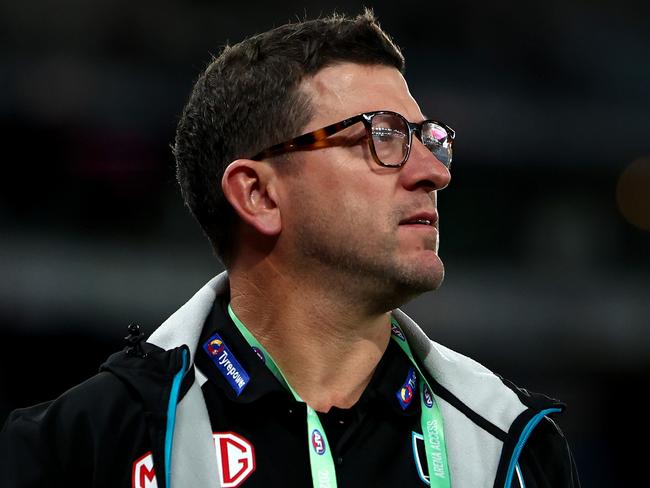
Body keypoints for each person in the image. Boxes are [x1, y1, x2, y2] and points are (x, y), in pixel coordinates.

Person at [0, 10, 580, 488]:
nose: (434, 173)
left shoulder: (514, 444)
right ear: (257, 195)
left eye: (428, 140)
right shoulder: (79, 448)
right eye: (383, 136)